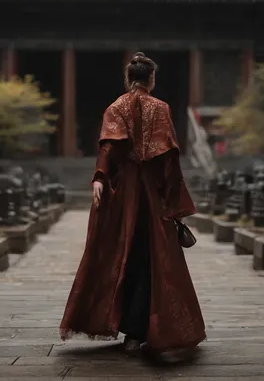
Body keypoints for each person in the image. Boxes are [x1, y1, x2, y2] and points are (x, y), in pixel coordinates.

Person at [59, 52, 205, 361]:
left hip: (122, 194)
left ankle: (129, 327)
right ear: (151, 79)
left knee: (121, 253)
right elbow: (168, 159)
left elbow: (109, 146)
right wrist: (173, 200)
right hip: (151, 195)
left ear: (129, 79)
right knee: (153, 258)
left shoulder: (116, 107)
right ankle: (140, 330)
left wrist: (100, 177)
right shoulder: (161, 108)